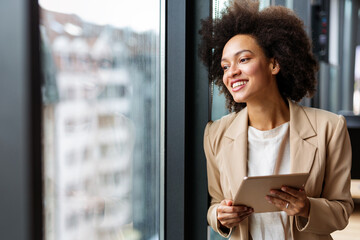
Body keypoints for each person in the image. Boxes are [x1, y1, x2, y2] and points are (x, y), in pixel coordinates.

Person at [199, 1, 354, 239]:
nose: (231, 73)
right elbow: (215, 203)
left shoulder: (329, 128)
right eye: (225, 66)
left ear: (274, 63)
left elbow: (342, 211)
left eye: (243, 60)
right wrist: (220, 216)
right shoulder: (216, 134)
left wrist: (307, 207)